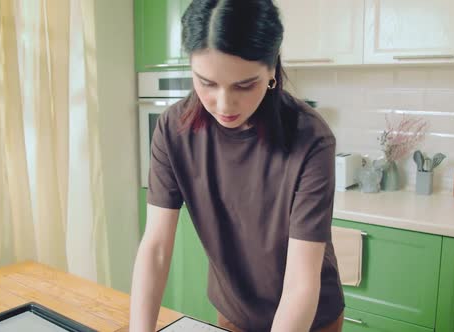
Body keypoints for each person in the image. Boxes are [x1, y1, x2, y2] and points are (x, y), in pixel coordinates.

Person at [129, 1, 345, 331]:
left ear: (272, 69)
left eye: (244, 85)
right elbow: (156, 247)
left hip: (308, 320)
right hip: (234, 311)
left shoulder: (311, 138)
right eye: (206, 83)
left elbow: (302, 281)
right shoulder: (173, 131)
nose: (224, 104)